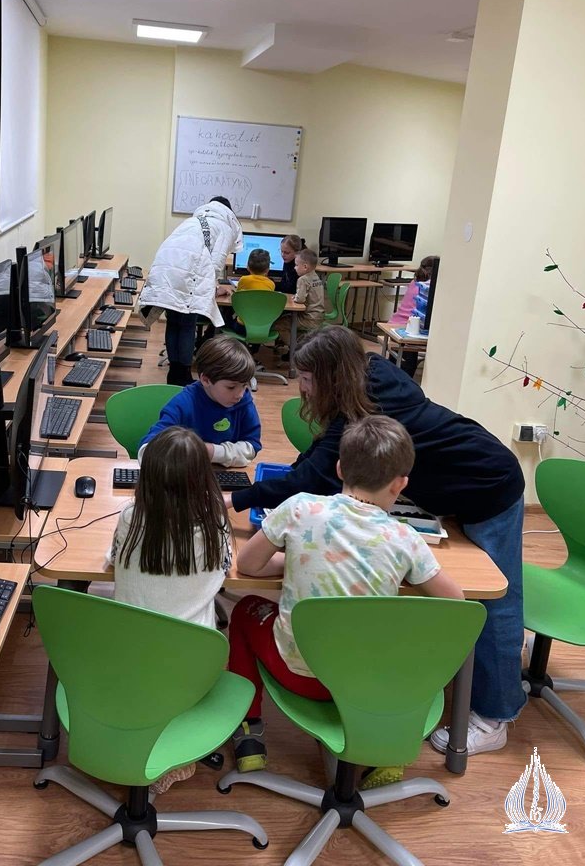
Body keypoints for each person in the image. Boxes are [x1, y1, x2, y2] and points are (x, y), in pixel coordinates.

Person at [227, 325, 526, 756]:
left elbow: (314, 474)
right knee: (465, 591)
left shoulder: (372, 404)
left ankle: (495, 714)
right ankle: (495, 656)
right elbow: (321, 454)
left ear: (331, 375)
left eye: (307, 378)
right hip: (445, 487)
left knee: (494, 599)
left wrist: (237, 498)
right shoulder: (361, 376)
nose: (302, 388)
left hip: (486, 483)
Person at [228, 416, 463, 776]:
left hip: (298, 676)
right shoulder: (405, 539)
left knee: (246, 609)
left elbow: (247, 564)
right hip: (366, 687)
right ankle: (383, 751)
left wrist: (294, 561)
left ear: (339, 468)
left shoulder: (299, 508)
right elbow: (456, 604)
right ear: (400, 484)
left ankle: (249, 730)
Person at [108, 425, 232, 795]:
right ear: (203, 480)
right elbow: (227, 568)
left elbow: (113, 558)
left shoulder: (131, 519)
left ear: (145, 479)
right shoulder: (214, 525)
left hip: (125, 661)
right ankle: (177, 748)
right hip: (192, 666)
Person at [139, 197, 242, 386]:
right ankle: (184, 374)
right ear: (229, 212)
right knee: (187, 324)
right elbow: (216, 262)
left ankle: (173, 373)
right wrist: (212, 288)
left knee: (173, 322)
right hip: (188, 275)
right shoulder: (225, 227)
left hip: (167, 271)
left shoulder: (192, 221)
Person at [138, 336, 262, 467]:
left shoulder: (243, 402)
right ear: (206, 380)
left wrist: (212, 452)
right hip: (187, 475)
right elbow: (148, 450)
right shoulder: (183, 404)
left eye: (244, 385)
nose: (240, 394)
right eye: (231, 387)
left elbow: (252, 447)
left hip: (221, 474)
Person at [387, 255, 437, 377]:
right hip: (407, 328)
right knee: (407, 366)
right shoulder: (430, 287)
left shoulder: (414, 282)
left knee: (395, 363)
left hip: (395, 323)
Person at [275, 247, 325, 359]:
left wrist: (295, 298)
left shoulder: (303, 279)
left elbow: (300, 299)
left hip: (308, 318)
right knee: (288, 320)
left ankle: (297, 350)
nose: (294, 267)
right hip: (318, 316)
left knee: (279, 324)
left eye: (296, 265)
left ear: (305, 267)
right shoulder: (316, 277)